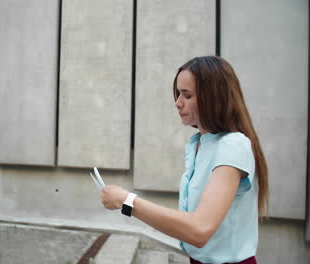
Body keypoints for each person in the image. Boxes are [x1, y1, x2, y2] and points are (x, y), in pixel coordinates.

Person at [101, 56, 268, 264]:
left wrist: (127, 201)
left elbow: (200, 230)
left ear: (213, 98)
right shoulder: (199, 144)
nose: (178, 103)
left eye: (187, 95)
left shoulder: (232, 145)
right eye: (178, 93)